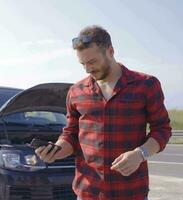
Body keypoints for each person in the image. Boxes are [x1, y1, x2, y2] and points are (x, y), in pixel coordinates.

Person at [35, 25, 172, 200]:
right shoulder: (76, 91)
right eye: (83, 64)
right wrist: (55, 151)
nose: (87, 69)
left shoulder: (146, 85)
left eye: (92, 62)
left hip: (130, 192)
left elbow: (162, 130)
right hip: (87, 192)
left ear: (111, 51)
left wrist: (140, 154)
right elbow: (71, 135)